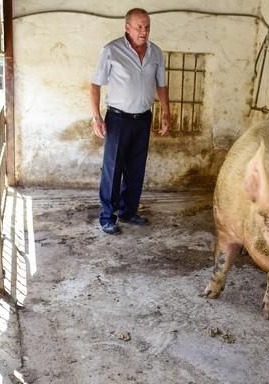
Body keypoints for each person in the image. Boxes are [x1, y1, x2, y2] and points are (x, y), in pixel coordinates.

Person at [90, 8, 170, 235]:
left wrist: (166, 112)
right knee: (113, 169)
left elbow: (161, 85)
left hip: (143, 118)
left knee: (136, 168)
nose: (144, 32)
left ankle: (128, 211)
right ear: (127, 27)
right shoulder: (111, 50)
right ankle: (107, 216)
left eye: (147, 27)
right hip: (118, 119)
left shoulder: (156, 53)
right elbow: (95, 85)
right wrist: (96, 117)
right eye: (139, 27)